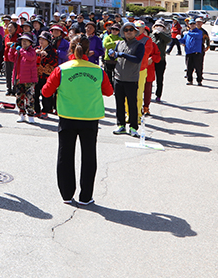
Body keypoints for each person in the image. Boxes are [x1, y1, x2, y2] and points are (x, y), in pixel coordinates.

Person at [42, 34, 114, 205]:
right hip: (90, 117)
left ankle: (67, 195)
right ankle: (86, 196)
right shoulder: (98, 70)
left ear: (70, 49)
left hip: (67, 116)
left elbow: (46, 92)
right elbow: (109, 92)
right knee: (89, 156)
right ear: (88, 50)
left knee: (65, 156)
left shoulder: (62, 69)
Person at [110, 22, 145, 136]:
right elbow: (114, 55)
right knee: (119, 103)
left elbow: (137, 59)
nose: (128, 32)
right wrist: (112, 53)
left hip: (131, 79)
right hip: (118, 77)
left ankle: (133, 127)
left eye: (131, 30)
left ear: (135, 32)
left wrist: (122, 54)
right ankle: (121, 125)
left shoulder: (139, 45)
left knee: (132, 104)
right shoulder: (120, 43)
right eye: (126, 30)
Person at [11, 34, 38, 123]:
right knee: (19, 97)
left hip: (29, 79)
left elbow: (30, 57)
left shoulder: (32, 51)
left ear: (30, 43)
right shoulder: (19, 51)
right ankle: (21, 114)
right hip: (19, 78)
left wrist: (21, 51)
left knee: (30, 98)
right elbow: (11, 58)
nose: (24, 42)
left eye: (26, 41)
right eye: (22, 41)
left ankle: (30, 115)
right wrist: (11, 49)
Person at [150, 20, 172, 103]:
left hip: (161, 60)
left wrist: (160, 33)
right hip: (151, 60)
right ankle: (148, 94)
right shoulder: (151, 35)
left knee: (159, 79)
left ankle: (158, 95)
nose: (158, 27)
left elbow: (168, 40)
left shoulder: (164, 36)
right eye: (157, 26)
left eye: (160, 26)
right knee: (149, 79)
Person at [183, 20, 206, 85]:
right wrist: (179, 38)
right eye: (191, 24)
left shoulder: (199, 32)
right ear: (189, 25)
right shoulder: (187, 33)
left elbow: (197, 36)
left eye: (193, 24)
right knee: (189, 68)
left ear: (195, 25)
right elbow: (184, 41)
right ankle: (189, 80)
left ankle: (199, 80)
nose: (192, 25)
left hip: (196, 53)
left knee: (198, 67)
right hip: (189, 52)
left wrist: (188, 33)